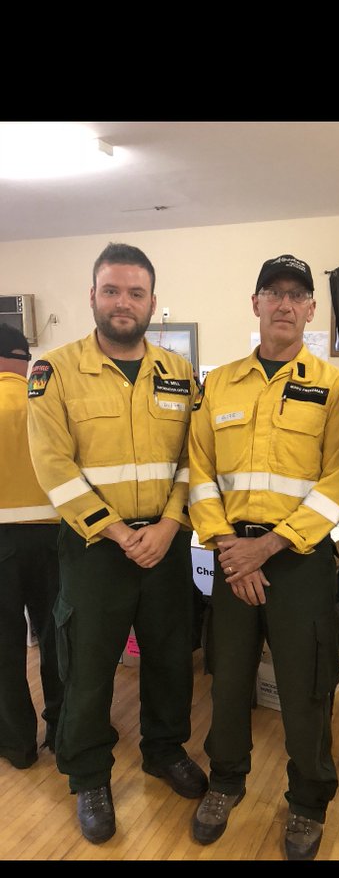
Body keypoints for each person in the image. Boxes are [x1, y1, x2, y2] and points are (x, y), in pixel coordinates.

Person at [27, 242, 208, 844]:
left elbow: (195, 459)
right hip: (95, 549)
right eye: (112, 290)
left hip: (164, 542)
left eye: (135, 292)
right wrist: (116, 530)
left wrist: (168, 525)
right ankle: (88, 773)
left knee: (168, 654)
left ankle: (163, 748)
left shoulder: (179, 374)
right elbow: (53, 466)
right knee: (87, 667)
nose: (123, 302)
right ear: (93, 297)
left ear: (153, 302)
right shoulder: (54, 372)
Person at [188, 253, 339, 860]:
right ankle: (226, 781)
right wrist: (230, 550)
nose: (285, 304)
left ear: (312, 309)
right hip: (232, 554)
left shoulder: (336, 389)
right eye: (274, 293)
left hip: (298, 561)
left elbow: (338, 483)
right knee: (230, 678)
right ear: (256, 303)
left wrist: (266, 547)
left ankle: (309, 802)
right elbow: (200, 472)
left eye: (297, 295)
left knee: (305, 686)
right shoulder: (217, 384)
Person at [0, 324, 64, 769]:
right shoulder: (49, 403)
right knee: (60, 640)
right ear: (25, 360)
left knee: (4, 647)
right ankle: (65, 731)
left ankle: (16, 744)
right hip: (54, 539)